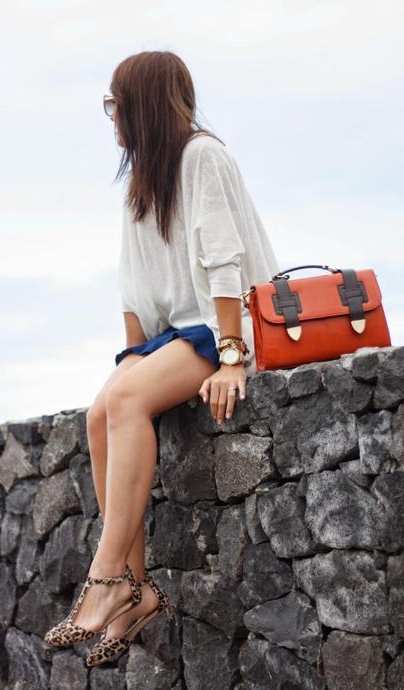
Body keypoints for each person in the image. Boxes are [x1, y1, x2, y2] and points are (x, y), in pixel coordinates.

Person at [44, 50, 279, 666]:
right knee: (102, 410)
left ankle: (107, 576)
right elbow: (135, 290)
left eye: (115, 104)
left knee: (122, 400)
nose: (111, 117)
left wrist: (232, 358)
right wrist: (130, 361)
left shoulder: (202, 156)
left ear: (144, 104)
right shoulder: (140, 183)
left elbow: (225, 263)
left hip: (230, 323)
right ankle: (137, 589)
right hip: (177, 335)